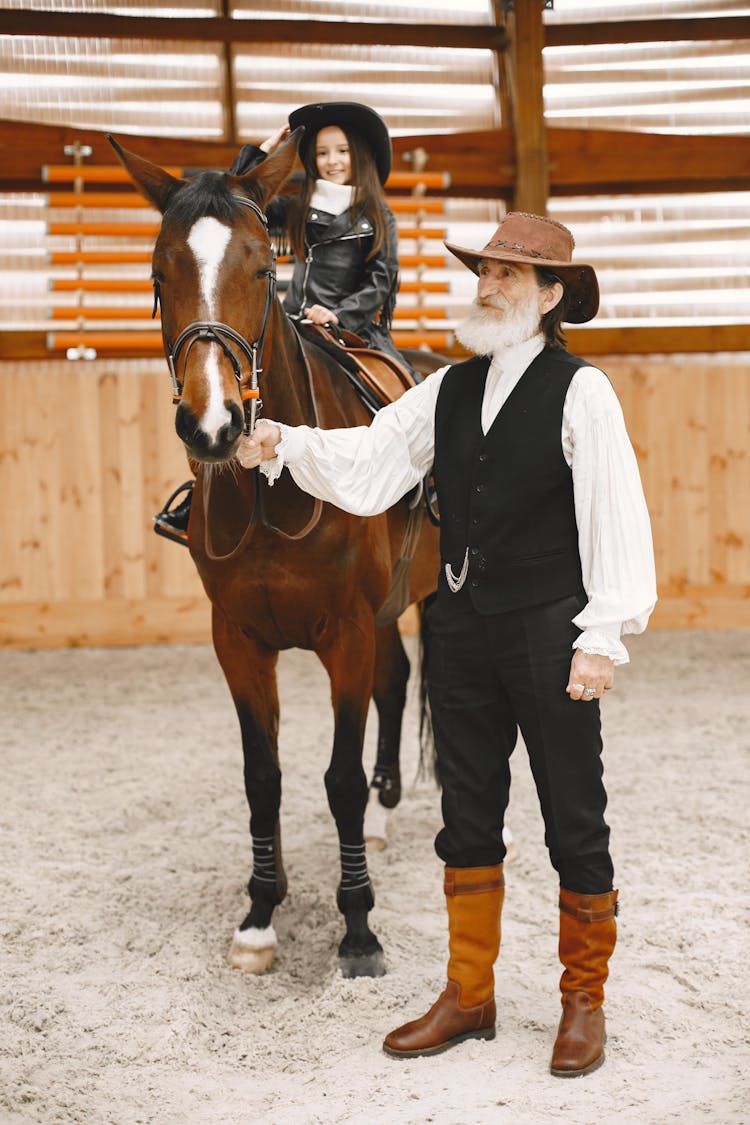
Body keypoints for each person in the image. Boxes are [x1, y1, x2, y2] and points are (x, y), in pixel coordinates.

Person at [236, 211, 657, 1078]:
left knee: (574, 814)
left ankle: (584, 1001)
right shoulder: (449, 390)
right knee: (467, 812)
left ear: (549, 297)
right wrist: (285, 443)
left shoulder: (583, 392)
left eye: (511, 275)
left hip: (552, 627)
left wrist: (602, 634)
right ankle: (470, 992)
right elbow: (375, 459)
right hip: (458, 624)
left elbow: (615, 512)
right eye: (486, 270)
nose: (490, 284)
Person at [155, 100, 411, 543]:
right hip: (296, 323)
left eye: (343, 152)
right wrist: (259, 153)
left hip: (354, 331)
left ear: (360, 158)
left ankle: (415, 491)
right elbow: (234, 207)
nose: (332, 161)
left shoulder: (377, 213)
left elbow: (382, 277)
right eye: (324, 152)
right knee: (234, 396)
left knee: (399, 396)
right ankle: (204, 496)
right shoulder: (297, 207)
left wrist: (340, 313)